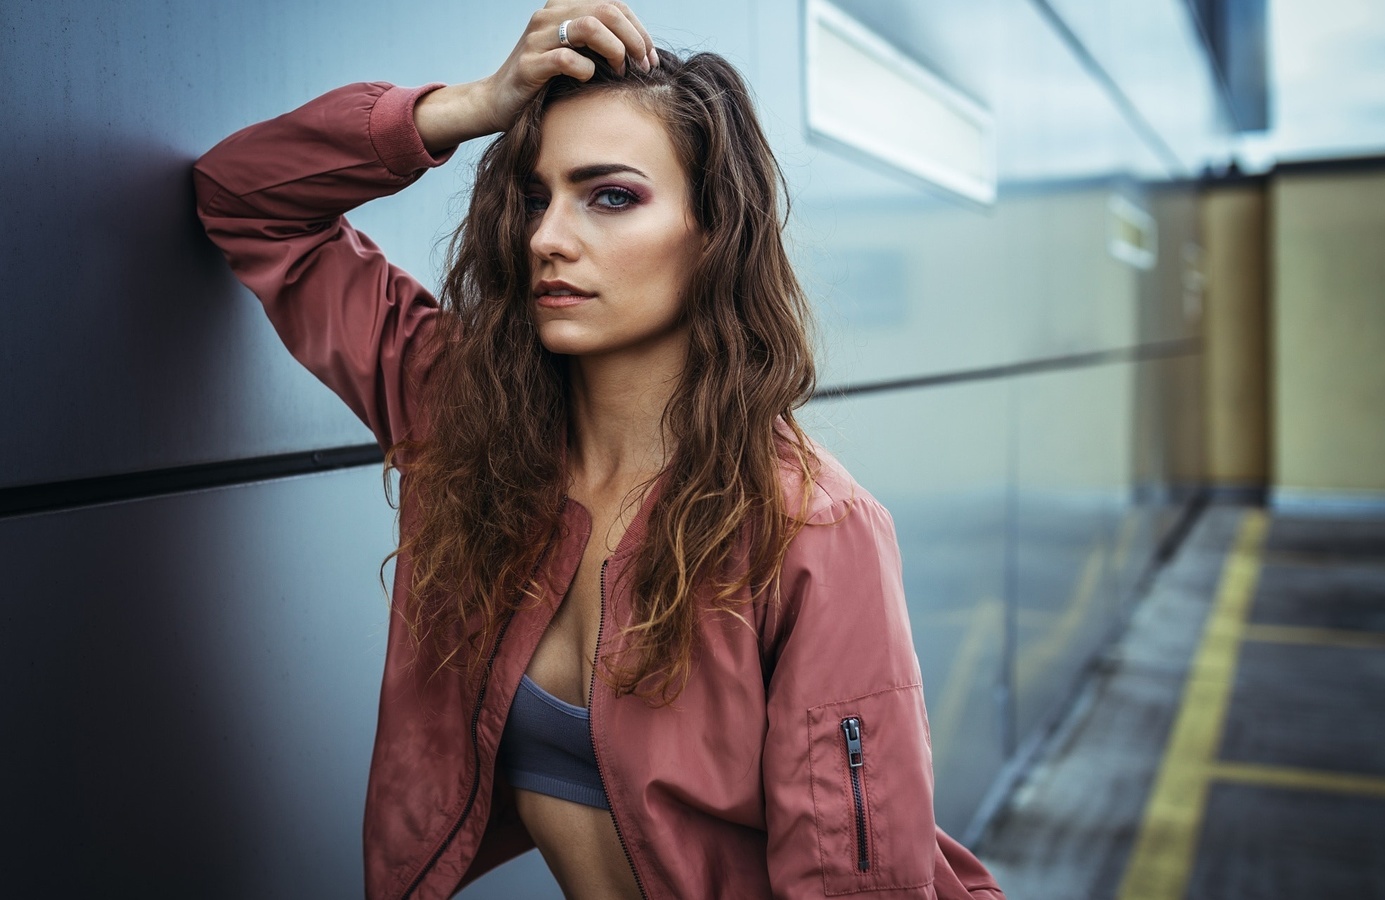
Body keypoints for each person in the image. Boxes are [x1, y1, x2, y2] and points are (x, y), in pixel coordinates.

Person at [194, 2, 1006, 898]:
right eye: (537, 197)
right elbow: (243, 198)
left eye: (610, 196)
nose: (547, 237)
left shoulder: (809, 528)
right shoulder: (467, 421)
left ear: (713, 235)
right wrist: (472, 106)